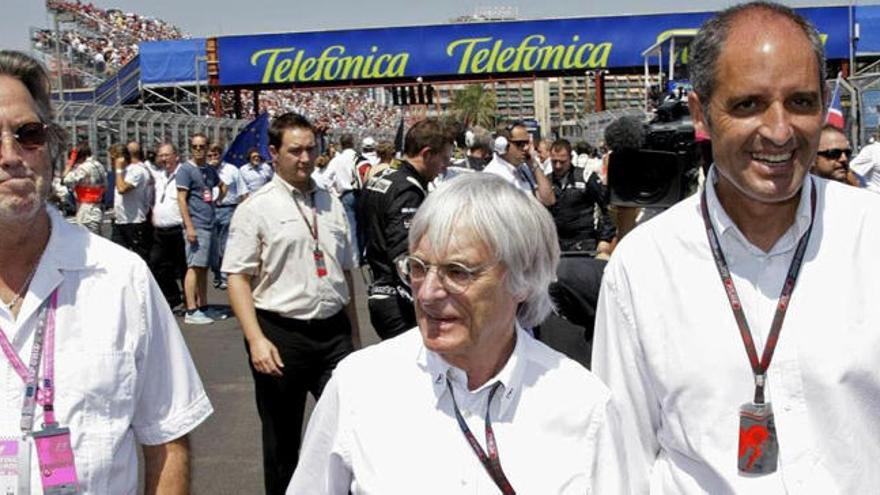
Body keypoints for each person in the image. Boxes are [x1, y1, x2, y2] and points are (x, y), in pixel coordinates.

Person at [593, 3, 880, 492]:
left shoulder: (871, 237)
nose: (779, 130)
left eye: (801, 102)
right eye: (748, 105)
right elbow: (621, 462)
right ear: (702, 112)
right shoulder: (643, 267)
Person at [289, 173, 636, 494]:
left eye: (457, 272)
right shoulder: (360, 385)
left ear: (523, 278)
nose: (426, 294)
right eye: (418, 267)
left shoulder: (584, 406)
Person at [0, 49, 212, 494]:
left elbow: (168, 440)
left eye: (27, 134)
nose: (10, 155)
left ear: (51, 145)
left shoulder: (120, 278)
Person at [223, 112, 361, 495]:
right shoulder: (256, 207)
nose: (305, 158)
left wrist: (354, 335)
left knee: (348, 429)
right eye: (295, 151)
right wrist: (255, 340)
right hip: (281, 334)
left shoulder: (331, 203)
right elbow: (237, 276)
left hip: (333, 333)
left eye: (310, 149)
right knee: (283, 441)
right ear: (273, 153)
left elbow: (345, 273)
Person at [360, 118, 453, 340]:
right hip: (398, 302)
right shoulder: (408, 190)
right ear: (428, 153)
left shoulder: (381, 177)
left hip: (379, 291)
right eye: (444, 158)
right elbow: (404, 256)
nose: (446, 166)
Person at [176, 133, 222, 325]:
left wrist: (217, 200)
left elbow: (221, 186)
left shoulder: (209, 170)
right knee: (194, 267)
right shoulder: (185, 170)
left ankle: (203, 305)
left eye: (202, 146)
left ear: (207, 147)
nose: (198, 150)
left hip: (209, 222)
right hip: (196, 224)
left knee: (203, 268)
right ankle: (191, 309)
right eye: (194, 146)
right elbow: (181, 199)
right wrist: (189, 226)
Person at [546, 139, 615, 256]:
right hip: (556, 245)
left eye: (562, 162)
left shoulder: (586, 176)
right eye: (554, 161)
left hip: (583, 244)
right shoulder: (546, 181)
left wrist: (605, 239)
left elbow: (607, 207)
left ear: (571, 159)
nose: (558, 166)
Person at [149, 142, 187, 310]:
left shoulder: (184, 174)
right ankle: (173, 298)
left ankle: (190, 301)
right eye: (161, 155)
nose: (164, 159)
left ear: (176, 156)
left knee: (184, 267)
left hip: (179, 228)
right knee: (157, 264)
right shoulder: (159, 176)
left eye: (167, 155)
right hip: (160, 229)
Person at [207, 142, 248, 290]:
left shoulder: (232, 170)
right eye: (210, 155)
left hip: (228, 209)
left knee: (225, 245)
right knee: (213, 246)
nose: (213, 158)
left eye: (215, 155)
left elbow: (243, 192)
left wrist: (244, 212)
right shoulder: (205, 170)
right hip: (210, 210)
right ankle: (217, 274)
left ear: (221, 155)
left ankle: (225, 276)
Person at [484, 122, 555, 206]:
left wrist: (533, 164)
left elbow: (549, 200)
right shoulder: (492, 176)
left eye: (527, 143)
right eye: (520, 144)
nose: (526, 148)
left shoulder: (525, 168)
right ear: (502, 144)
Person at [110, 143, 153, 261]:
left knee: (140, 258)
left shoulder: (137, 171)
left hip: (134, 222)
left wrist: (118, 169)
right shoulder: (125, 171)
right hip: (120, 221)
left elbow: (122, 189)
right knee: (117, 259)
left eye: (114, 158)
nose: (112, 162)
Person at [61, 140, 106, 234]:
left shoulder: (83, 168)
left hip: (86, 212)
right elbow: (105, 186)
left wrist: (70, 164)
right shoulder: (99, 165)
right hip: (98, 208)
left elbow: (64, 180)